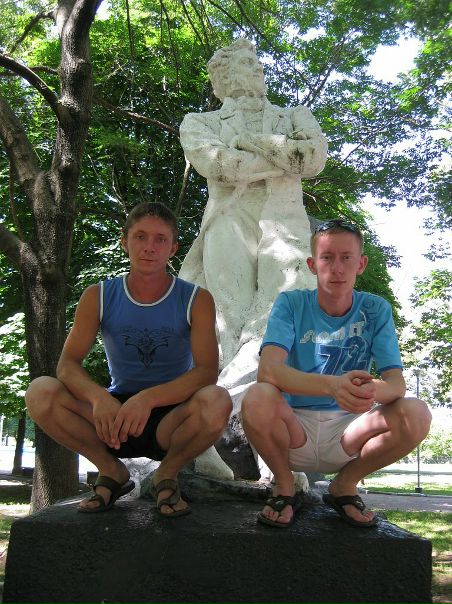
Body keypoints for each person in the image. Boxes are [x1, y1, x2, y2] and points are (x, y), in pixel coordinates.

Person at [26, 202, 232, 516]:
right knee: (40, 392)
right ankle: (111, 471)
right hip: (113, 416)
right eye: (140, 236)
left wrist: (148, 399)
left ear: (173, 248)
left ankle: (167, 474)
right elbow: (66, 365)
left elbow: (206, 372)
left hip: (172, 418)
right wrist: (98, 399)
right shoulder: (98, 296)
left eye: (160, 239)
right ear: (125, 242)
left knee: (217, 400)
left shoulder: (196, 299)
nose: (149, 247)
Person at [241, 219, 431, 528]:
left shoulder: (375, 309)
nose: (337, 268)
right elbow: (269, 370)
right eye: (327, 257)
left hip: (350, 431)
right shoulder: (291, 303)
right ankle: (284, 486)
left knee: (417, 413)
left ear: (361, 264)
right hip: (292, 429)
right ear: (312, 265)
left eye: (346, 258)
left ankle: (345, 485)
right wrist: (332, 386)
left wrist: (364, 390)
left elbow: (396, 384)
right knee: (257, 396)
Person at [179, 39, 328, 368]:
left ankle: (275, 384)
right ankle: (232, 393)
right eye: (248, 63)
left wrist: (248, 142)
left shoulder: (295, 115)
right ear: (226, 76)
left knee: (291, 300)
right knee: (230, 317)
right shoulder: (199, 123)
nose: (259, 67)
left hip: (285, 224)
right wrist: (286, 159)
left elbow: (313, 159)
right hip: (228, 221)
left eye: (258, 62)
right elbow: (223, 166)